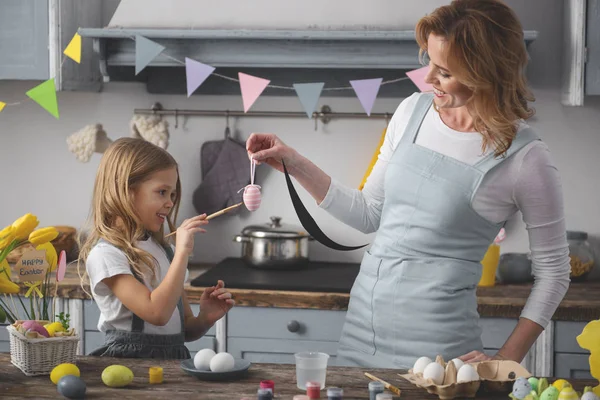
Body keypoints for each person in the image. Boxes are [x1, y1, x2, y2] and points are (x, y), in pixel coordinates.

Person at [246, 0, 570, 368]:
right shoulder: (411, 112)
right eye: (429, 61)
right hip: (361, 332)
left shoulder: (526, 159)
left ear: (487, 73)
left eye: (444, 71)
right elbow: (369, 213)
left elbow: (554, 274)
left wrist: (504, 360)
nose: (428, 77)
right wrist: (293, 162)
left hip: (440, 352)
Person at [78, 137, 234, 359]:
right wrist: (182, 253)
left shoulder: (164, 250)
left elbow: (184, 329)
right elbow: (156, 313)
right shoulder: (106, 254)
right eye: (162, 192)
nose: (170, 202)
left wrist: (205, 319)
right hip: (131, 366)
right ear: (126, 191)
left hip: (173, 360)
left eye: (172, 194)